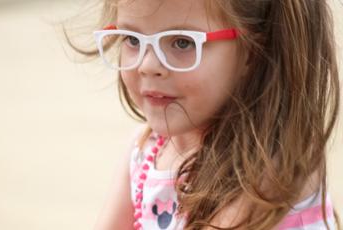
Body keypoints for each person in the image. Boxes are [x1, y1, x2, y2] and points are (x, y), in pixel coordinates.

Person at [65, 0, 341, 229]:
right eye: (131, 39)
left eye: (182, 43)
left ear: (252, 53)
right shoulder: (144, 150)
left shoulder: (273, 162)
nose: (148, 66)